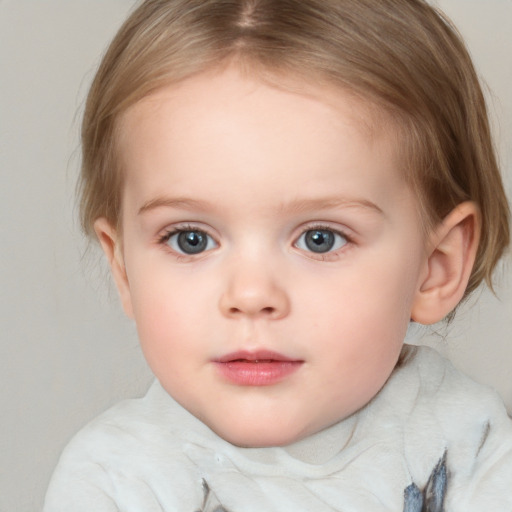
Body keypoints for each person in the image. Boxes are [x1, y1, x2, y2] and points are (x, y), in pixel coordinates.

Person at [43, 0, 512, 510]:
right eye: (190, 239)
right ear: (124, 268)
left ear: (435, 266)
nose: (250, 295)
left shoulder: (474, 450)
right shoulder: (118, 479)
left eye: (320, 239)